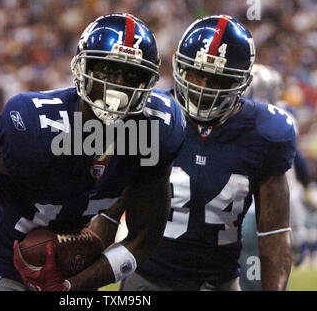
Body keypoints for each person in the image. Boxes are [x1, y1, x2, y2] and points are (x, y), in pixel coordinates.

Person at [0, 13, 186, 291]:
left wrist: (69, 287)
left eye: (132, 75)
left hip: (65, 274)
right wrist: (3, 173)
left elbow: (143, 237)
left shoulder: (156, 129)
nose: (117, 87)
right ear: (81, 68)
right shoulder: (39, 126)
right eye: (107, 71)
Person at [119, 15, 296, 291]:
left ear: (240, 83)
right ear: (180, 68)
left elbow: (274, 232)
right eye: (196, 73)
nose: (203, 87)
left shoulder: (265, 133)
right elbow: (109, 210)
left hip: (220, 283)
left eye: (217, 79)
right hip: (147, 280)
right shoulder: (149, 116)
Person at [240, 64, 313, 290]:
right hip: (274, 206)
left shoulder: (233, 117)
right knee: (268, 278)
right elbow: (294, 171)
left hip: (239, 208)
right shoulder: (282, 120)